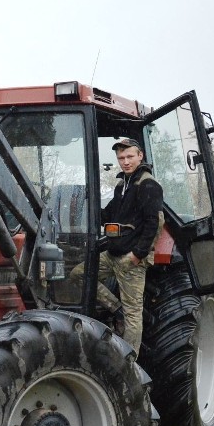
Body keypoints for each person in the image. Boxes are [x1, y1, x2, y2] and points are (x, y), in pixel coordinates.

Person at [72, 137, 163, 357]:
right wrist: (83, 208)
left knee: (134, 314)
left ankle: (129, 362)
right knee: (79, 275)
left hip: (131, 259)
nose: (125, 161)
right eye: (121, 158)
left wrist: (138, 254)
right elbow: (110, 213)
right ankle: (116, 309)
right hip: (113, 254)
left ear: (140, 155)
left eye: (130, 156)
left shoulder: (148, 184)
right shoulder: (123, 185)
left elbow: (155, 222)